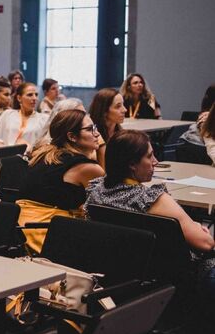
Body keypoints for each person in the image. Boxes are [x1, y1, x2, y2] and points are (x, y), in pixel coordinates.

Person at [87, 130, 214, 313]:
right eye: (149, 156)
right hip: (185, 273)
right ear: (132, 164)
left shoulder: (96, 190)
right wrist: (194, 226)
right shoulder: (151, 198)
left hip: (125, 272)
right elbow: (206, 244)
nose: (156, 161)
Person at [15, 109, 105, 253]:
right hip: (44, 232)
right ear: (72, 136)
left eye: (95, 128)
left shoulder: (47, 153)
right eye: (89, 129)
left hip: (20, 226)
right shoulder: (86, 168)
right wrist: (102, 148)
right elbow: (107, 205)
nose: (97, 134)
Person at [0, 82, 49, 152]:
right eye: (30, 95)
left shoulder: (44, 118)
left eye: (36, 95)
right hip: (7, 158)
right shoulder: (7, 114)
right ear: (19, 98)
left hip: (31, 159)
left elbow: (47, 145)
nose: (35, 98)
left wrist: (31, 150)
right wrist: (7, 151)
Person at [88, 87, 126, 168]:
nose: (124, 110)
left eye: (123, 104)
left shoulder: (122, 135)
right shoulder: (91, 137)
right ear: (104, 111)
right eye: (118, 106)